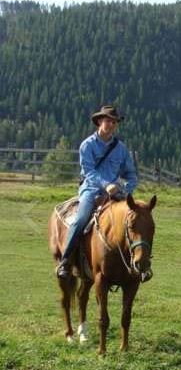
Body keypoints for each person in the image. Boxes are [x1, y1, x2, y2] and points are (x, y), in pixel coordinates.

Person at [55, 105, 138, 278]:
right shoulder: (87, 145)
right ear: (99, 121)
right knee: (81, 219)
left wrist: (126, 190)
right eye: (108, 121)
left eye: (114, 122)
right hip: (91, 189)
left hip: (116, 193)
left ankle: (138, 263)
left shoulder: (121, 149)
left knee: (137, 220)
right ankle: (65, 261)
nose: (111, 125)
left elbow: (131, 175)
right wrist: (106, 185)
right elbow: (89, 172)